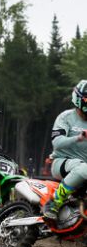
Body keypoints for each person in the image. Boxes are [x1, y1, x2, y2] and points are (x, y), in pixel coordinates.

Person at [42, 80, 87, 220]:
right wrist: (78, 138)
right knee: (83, 169)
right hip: (61, 162)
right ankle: (54, 203)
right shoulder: (66, 117)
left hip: (84, 168)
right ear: (80, 99)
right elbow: (57, 142)